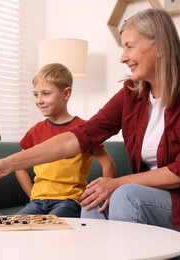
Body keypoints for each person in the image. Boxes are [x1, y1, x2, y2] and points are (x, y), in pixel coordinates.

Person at [0, 8, 180, 236]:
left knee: (123, 194)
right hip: (153, 197)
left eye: (129, 46)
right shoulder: (132, 93)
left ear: (159, 46)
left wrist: (117, 183)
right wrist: (7, 164)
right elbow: (77, 138)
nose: (123, 58)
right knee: (93, 198)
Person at [14, 63, 115, 217]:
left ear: (66, 93)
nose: (39, 100)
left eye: (46, 93)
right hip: (37, 201)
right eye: (36, 94)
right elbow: (18, 166)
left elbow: (108, 165)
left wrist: (104, 195)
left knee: (55, 227)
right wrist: (32, 195)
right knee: (15, 225)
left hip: (70, 201)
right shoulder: (35, 131)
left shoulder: (84, 130)